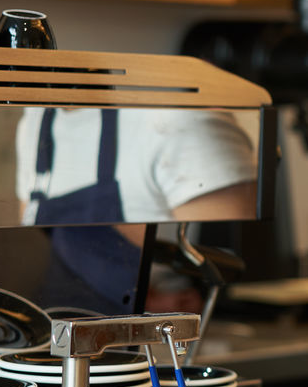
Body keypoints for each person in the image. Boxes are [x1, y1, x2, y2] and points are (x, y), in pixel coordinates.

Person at [15, 106, 259, 313]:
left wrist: (157, 299)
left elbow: (230, 281)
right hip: (52, 335)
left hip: (144, 346)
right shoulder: (36, 119)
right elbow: (32, 240)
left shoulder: (179, 122)